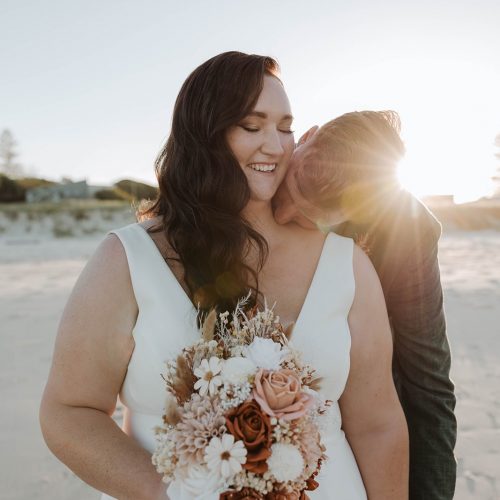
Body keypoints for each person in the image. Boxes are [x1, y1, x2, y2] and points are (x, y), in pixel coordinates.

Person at [39, 52, 409, 499]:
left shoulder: (346, 265)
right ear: (205, 133)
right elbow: (68, 411)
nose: (275, 145)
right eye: (252, 127)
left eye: (285, 127)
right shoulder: (129, 258)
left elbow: (378, 425)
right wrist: (171, 494)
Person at [273, 110, 457, 499]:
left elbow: (429, 385)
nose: (283, 213)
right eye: (291, 188)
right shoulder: (261, 167)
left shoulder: (406, 229)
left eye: (309, 218)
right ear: (307, 136)